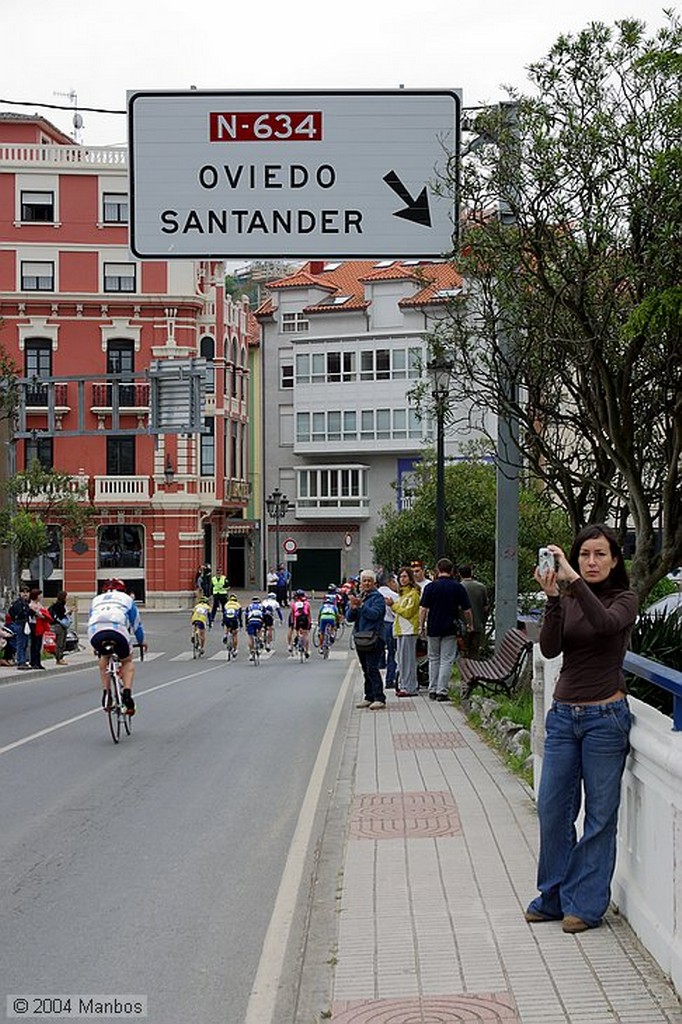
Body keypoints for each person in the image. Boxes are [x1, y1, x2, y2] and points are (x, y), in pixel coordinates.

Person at [525, 524, 638, 934]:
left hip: (605, 720)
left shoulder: (625, 598)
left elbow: (607, 625)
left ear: (614, 560)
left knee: (600, 816)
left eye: (600, 555)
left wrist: (574, 583)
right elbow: (550, 648)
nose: (591, 562)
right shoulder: (570, 599)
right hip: (563, 718)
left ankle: (586, 905)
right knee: (553, 809)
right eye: (585, 555)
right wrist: (554, 599)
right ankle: (553, 896)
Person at [88, 578, 146, 716]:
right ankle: (127, 694)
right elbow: (136, 624)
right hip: (117, 630)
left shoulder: (96, 600)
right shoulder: (127, 599)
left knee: (104, 659)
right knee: (127, 661)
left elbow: (91, 618)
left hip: (95, 632)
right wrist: (141, 641)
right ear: (123, 589)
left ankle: (106, 693)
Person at [419, 558, 473, 701]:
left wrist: (421, 626)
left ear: (437, 569)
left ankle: (432, 688)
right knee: (446, 660)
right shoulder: (457, 587)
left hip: (433, 627)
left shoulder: (430, 587)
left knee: (433, 658)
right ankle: (442, 691)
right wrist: (469, 624)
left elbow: (423, 609)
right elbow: (467, 610)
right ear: (452, 571)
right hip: (449, 627)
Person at [347, 569, 386, 709]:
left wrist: (362, 606)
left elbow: (375, 614)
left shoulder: (378, 598)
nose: (366, 583)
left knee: (372, 668)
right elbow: (349, 618)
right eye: (364, 581)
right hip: (360, 637)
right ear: (360, 583)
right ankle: (369, 696)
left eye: (369, 581)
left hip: (375, 638)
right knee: (365, 669)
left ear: (374, 583)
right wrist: (353, 608)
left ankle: (379, 697)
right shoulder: (360, 597)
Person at [389, 566, 421, 696]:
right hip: (401, 630)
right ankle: (403, 684)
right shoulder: (402, 594)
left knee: (408, 661)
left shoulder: (413, 594)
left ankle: (410, 687)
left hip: (409, 630)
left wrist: (393, 605)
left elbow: (407, 612)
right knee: (402, 660)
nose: (402, 579)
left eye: (405, 576)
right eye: (400, 577)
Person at [458, 565, 489, 658]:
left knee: (463, 652)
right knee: (474, 652)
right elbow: (486, 607)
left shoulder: (458, 587)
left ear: (460, 574)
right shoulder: (481, 587)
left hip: (462, 625)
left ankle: (464, 671)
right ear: (471, 573)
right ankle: (474, 670)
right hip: (478, 624)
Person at [377, 575, 398, 688]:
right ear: (389, 582)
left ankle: (380, 665)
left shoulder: (376, 594)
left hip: (378, 626)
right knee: (392, 653)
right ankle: (390, 680)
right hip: (390, 625)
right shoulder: (394, 596)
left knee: (378, 652)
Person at [7, 586, 31, 669]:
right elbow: (11, 611)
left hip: (25, 624)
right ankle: (20, 661)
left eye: (27, 592)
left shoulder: (26, 603)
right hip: (20, 623)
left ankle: (24, 660)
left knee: (25, 644)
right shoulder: (18, 603)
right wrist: (15, 619)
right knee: (20, 643)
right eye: (23, 592)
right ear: (20, 593)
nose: (25, 594)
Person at [28, 588, 52, 670]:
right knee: (35, 644)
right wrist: (40, 614)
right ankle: (33, 662)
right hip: (34, 625)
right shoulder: (31, 605)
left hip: (40, 626)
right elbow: (36, 614)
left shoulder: (39, 604)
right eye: (39, 595)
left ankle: (38, 662)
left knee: (38, 644)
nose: (40, 596)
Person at [48, 589, 72, 665]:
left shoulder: (62, 604)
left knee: (63, 642)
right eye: (66, 596)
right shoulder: (58, 605)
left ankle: (60, 657)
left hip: (62, 625)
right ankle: (59, 658)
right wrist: (68, 612)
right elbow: (61, 615)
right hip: (59, 625)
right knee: (60, 642)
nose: (67, 598)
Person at [287, 589, 311, 657]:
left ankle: (292, 643)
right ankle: (307, 651)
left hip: (297, 617)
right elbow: (309, 615)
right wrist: (309, 624)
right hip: (305, 617)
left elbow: (293, 614)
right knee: (305, 634)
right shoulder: (307, 603)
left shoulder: (294, 603)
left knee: (294, 630)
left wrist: (294, 624)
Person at [245, 595, 265, 660]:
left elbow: (246, 616)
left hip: (251, 621)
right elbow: (264, 615)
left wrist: (246, 625)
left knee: (250, 637)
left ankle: (251, 652)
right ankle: (260, 639)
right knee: (259, 630)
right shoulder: (262, 606)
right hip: (259, 620)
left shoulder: (249, 607)